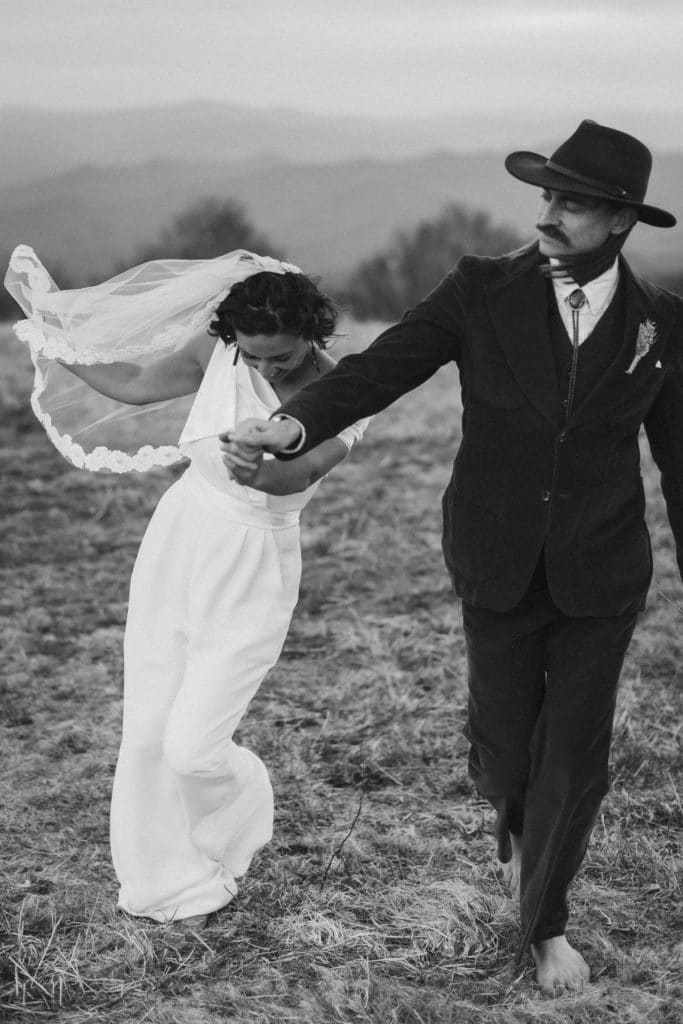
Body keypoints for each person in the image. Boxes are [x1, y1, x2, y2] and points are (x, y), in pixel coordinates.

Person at [224, 121, 683, 995]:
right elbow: (380, 368)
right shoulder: (478, 290)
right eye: (545, 194)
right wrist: (291, 423)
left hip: (601, 572)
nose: (547, 213)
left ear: (621, 221)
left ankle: (543, 923)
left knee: (573, 756)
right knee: (505, 754)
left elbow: (679, 462)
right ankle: (514, 826)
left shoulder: (661, 325)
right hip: (494, 558)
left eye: (572, 201)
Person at [4, 247, 369, 925]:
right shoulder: (219, 354)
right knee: (146, 728)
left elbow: (299, 473)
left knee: (193, 747)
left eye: (280, 358)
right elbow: (132, 384)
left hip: (253, 563)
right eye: (252, 356)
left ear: (310, 336)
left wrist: (257, 467)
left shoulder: (346, 387)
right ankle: (165, 882)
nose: (264, 369)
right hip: (179, 540)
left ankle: (244, 802)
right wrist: (49, 331)